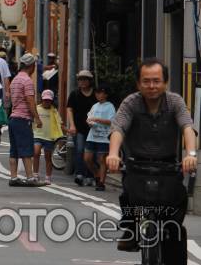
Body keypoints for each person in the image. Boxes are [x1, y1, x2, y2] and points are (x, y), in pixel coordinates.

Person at [107, 58, 197, 256]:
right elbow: (118, 128)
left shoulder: (175, 102)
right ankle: (131, 228)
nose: (151, 86)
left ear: (165, 82)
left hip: (168, 168)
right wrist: (113, 154)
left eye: (156, 81)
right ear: (138, 84)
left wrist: (191, 154)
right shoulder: (131, 103)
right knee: (128, 195)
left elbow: (187, 127)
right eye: (146, 81)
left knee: (176, 208)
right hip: (137, 166)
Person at [7, 52, 42, 186]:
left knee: (14, 150)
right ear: (31, 66)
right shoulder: (27, 80)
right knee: (26, 149)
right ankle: (30, 178)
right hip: (23, 119)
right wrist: (37, 118)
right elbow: (30, 101)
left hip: (13, 118)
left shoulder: (15, 79)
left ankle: (13, 177)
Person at [66, 69, 96, 185]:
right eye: (80, 79)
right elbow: (69, 109)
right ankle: (79, 174)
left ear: (90, 81)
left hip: (93, 128)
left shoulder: (95, 93)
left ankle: (91, 175)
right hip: (79, 127)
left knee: (91, 151)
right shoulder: (75, 94)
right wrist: (72, 125)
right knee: (79, 150)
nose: (82, 82)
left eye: (85, 79)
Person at [83, 82, 115, 191]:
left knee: (101, 159)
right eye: (96, 92)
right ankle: (96, 175)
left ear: (106, 94)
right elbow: (89, 117)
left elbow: (111, 121)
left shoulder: (110, 106)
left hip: (104, 137)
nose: (97, 94)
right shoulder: (94, 106)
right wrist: (89, 122)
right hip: (92, 135)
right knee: (87, 158)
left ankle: (101, 182)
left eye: (100, 92)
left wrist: (97, 119)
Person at [33, 88, 63, 185]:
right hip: (37, 135)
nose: (47, 102)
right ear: (42, 99)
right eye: (45, 100)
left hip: (49, 137)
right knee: (36, 153)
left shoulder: (54, 111)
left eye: (49, 100)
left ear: (52, 101)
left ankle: (48, 176)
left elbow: (59, 123)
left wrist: (67, 130)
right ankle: (35, 174)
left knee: (48, 157)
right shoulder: (36, 108)